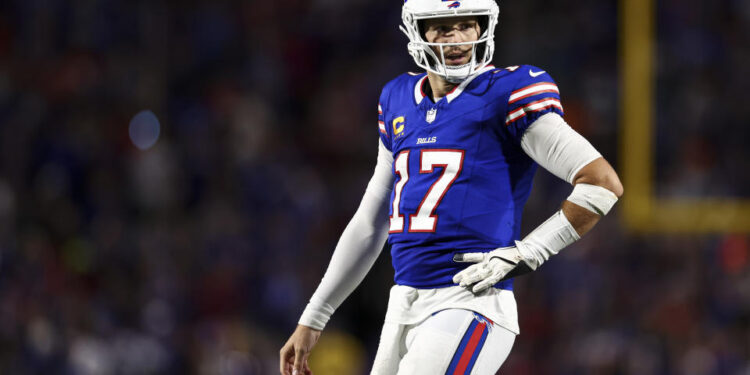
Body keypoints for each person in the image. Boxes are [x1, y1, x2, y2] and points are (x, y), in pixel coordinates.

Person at [280, 0, 623, 373]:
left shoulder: (508, 91)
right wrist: (315, 316)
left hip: (470, 302)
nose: (457, 38)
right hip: (404, 303)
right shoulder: (397, 99)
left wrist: (530, 252)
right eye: (443, 27)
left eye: (466, 25)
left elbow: (601, 184)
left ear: (483, 29)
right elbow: (373, 219)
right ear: (418, 32)